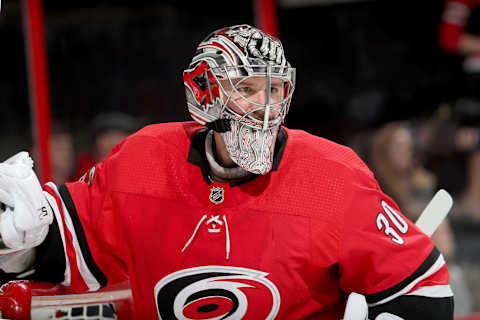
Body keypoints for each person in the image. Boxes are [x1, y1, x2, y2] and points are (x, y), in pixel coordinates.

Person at [0, 24, 453, 319]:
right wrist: (21, 246)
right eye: (249, 89)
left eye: (276, 89)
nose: (266, 107)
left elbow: (419, 286)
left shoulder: (331, 174)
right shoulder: (143, 159)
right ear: (205, 91)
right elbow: (72, 255)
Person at [73, 111, 140, 181]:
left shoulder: (137, 170)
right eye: (108, 136)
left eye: (119, 136)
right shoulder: (81, 169)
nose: (113, 142)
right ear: (97, 141)